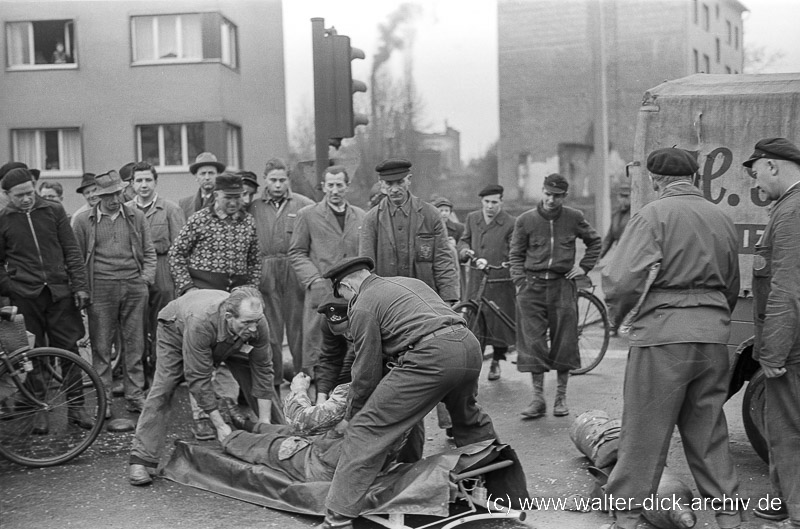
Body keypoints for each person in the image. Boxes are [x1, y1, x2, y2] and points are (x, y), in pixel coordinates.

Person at [600, 147, 742, 529]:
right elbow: (732, 284)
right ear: (695, 177)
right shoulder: (721, 218)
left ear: (654, 179)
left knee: (644, 433)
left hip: (662, 337)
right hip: (712, 337)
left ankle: (626, 519)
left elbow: (621, 280)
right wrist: (711, 318)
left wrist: (618, 318)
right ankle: (730, 517)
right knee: (709, 432)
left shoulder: (651, 216)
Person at [316, 257, 498, 529]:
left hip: (431, 355)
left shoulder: (363, 304)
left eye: (341, 293)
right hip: (468, 345)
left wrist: (353, 416)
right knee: (468, 419)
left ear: (347, 287)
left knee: (366, 429)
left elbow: (365, 372)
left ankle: (337, 519)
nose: (345, 300)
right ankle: (493, 489)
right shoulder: (408, 283)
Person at [128, 287, 280, 486]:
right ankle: (142, 459)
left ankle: (283, 441)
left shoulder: (256, 322)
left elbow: (263, 370)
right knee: (163, 388)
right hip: (177, 329)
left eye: (256, 321)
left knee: (259, 382)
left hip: (232, 337)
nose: (253, 328)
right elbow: (198, 379)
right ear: (229, 316)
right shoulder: (201, 322)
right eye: (247, 323)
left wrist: (264, 423)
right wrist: (220, 426)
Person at [0, 167, 94, 433]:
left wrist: (80, 287)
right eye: (20, 196)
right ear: (7, 195)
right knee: (31, 355)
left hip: (60, 293)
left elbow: (71, 251)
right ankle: (38, 409)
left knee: (69, 351)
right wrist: (11, 285)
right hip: (26, 298)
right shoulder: (3, 219)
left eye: (30, 192)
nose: (27, 199)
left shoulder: (53, 211)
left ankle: (76, 408)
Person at [169, 173, 260, 439]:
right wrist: (188, 289)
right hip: (203, 298)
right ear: (216, 196)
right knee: (202, 361)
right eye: (228, 198)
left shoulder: (248, 222)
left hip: (235, 300)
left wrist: (250, 293)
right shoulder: (199, 219)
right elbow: (176, 254)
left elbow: (255, 260)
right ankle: (201, 416)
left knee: (232, 355)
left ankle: (228, 407)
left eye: (238, 197)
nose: (234, 203)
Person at [508, 173, 601, 419]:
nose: (551, 200)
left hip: (562, 286)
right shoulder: (525, 220)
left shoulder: (574, 218)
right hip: (532, 287)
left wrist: (584, 267)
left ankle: (561, 397)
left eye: (557, 196)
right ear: (542, 191)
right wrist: (520, 281)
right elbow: (515, 254)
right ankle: (538, 398)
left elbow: (595, 242)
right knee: (533, 342)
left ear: (564, 197)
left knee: (565, 341)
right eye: (548, 194)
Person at [743, 138, 800, 529]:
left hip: (793, 348)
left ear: (773, 166)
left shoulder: (794, 210)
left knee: (790, 433)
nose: (755, 180)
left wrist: (775, 352)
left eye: (756, 171)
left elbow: (787, 287)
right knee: (782, 430)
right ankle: (784, 500)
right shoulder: (788, 206)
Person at [72, 170, 156, 417]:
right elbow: (76, 259)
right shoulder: (82, 221)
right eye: (108, 195)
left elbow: (149, 252)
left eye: (117, 193)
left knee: (135, 343)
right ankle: (104, 399)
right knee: (101, 346)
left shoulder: (135, 216)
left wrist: (145, 279)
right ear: (97, 196)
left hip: (134, 285)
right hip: (100, 288)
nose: (114, 199)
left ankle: (134, 396)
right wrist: (82, 289)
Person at [289, 165, 365, 378]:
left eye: (339, 185)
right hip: (323, 294)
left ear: (347, 186)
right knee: (319, 348)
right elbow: (296, 252)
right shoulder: (308, 215)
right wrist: (314, 281)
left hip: (354, 293)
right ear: (323, 187)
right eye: (329, 185)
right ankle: (319, 398)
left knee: (353, 345)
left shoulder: (360, 216)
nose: (334, 190)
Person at [249, 158, 314, 392]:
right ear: (265, 180)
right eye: (273, 180)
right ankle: (273, 381)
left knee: (299, 330)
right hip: (266, 270)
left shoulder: (304, 205)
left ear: (288, 180)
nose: (277, 185)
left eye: (282, 180)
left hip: (294, 268)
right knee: (271, 331)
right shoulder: (254, 207)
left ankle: (303, 379)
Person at [359, 159, 459, 304]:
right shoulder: (371, 219)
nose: (394, 189)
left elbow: (443, 261)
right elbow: (366, 268)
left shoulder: (431, 215)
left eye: (399, 182)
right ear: (381, 185)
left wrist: (448, 299)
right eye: (389, 184)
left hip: (426, 301)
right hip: (387, 303)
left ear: (409, 180)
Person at [222, 373, 350, 482]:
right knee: (285, 430)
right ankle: (246, 424)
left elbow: (300, 421)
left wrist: (299, 389)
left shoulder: (359, 388)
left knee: (270, 445)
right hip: (339, 453)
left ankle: (228, 435)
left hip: (325, 466)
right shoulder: (366, 388)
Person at [125, 162, 185, 377]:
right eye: (139, 180)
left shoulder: (170, 209)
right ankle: (138, 375)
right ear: (132, 184)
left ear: (155, 182)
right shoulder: (126, 211)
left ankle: (163, 373)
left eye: (148, 180)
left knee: (163, 324)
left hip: (162, 270)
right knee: (135, 326)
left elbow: (179, 247)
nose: (144, 185)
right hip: (134, 271)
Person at [458, 184, 516, 380]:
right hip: (477, 279)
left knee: (499, 323)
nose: (490, 206)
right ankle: (471, 363)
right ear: (481, 202)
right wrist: (464, 251)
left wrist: (504, 264)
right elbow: (464, 240)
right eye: (486, 202)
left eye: (494, 202)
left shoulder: (510, 222)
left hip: (499, 279)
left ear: (501, 202)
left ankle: (497, 361)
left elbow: (515, 250)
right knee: (473, 320)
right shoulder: (472, 219)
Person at [315, 298, 354, 404]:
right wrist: (321, 395)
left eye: (348, 329)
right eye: (342, 332)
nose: (347, 335)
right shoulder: (327, 319)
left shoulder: (368, 313)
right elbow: (330, 357)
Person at [179, 152, 226, 221]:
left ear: (218, 176)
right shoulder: (184, 204)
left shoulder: (225, 201)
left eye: (211, 173)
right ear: (196, 177)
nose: (207, 177)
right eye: (203, 174)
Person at [599, 184, 631, 260]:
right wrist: (598, 256)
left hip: (631, 254)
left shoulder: (635, 213)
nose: (624, 200)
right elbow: (609, 238)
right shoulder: (616, 214)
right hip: (619, 255)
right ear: (618, 197)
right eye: (622, 196)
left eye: (626, 197)